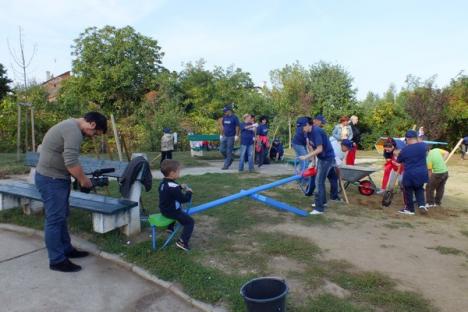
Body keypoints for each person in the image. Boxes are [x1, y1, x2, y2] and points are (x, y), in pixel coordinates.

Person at [35, 112, 107, 272]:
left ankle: (66, 249)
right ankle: (57, 260)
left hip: (56, 178)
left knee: (61, 216)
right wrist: (83, 181)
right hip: (51, 179)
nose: (93, 136)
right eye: (95, 133)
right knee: (54, 219)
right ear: (92, 124)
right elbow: (71, 161)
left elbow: (68, 158)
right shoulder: (73, 131)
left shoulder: (70, 126)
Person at [300, 115, 335, 215]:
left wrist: (306, 157)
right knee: (319, 181)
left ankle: (319, 209)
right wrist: (313, 162)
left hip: (327, 158)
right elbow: (311, 147)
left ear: (307, 124)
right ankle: (322, 202)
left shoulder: (317, 131)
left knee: (319, 181)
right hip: (321, 158)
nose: (301, 129)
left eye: (302, 126)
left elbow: (319, 149)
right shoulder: (308, 133)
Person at [159, 159, 194, 251]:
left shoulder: (163, 183)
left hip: (163, 209)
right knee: (190, 222)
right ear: (172, 173)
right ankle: (182, 242)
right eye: (178, 171)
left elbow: (169, 191)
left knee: (173, 206)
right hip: (172, 212)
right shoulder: (173, 187)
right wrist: (189, 192)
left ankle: (170, 228)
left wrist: (180, 187)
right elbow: (184, 199)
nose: (179, 172)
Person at [397, 130, 429, 215]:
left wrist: (399, 153)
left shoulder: (405, 150)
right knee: (419, 188)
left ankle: (410, 209)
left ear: (407, 139)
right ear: (416, 137)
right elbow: (425, 150)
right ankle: (422, 205)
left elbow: (399, 160)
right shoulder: (424, 146)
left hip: (410, 173)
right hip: (422, 172)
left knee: (408, 190)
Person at [219, 105, 240, 170]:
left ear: (229, 111)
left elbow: (237, 127)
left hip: (231, 136)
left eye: (225, 111)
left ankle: (226, 165)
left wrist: (236, 135)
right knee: (221, 149)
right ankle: (230, 158)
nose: (224, 113)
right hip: (225, 136)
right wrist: (221, 134)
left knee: (229, 151)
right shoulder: (224, 117)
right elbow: (223, 126)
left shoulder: (235, 118)